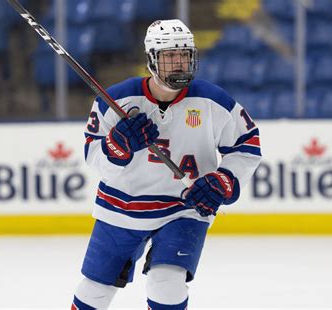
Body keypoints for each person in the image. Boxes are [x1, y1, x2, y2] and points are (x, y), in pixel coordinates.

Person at [73, 19, 262, 310]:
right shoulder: (116, 100)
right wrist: (116, 147)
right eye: (169, 56)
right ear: (151, 60)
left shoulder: (215, 102)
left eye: (184, 55)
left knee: (167, 283)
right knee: (94, 291)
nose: (178, 63)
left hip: (183, 208)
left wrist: (224, 180)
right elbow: (94, 158)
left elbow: (247, 145)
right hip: (121, 207)